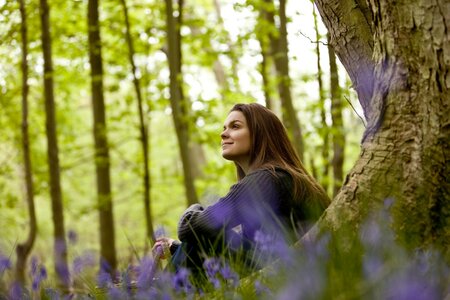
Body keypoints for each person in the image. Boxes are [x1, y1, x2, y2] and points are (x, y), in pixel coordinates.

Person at [153, 103, 330, 279]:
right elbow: (241, 251)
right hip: (290, 274)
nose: (223, 134)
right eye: (224, 128)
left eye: (235, 127)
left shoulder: (268, 179)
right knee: (199, 241)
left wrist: (192, 210)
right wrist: (177, 247)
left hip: (294, 283)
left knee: (198, 237)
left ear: (261, 134)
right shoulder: (281, 177)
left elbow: (191, 228)